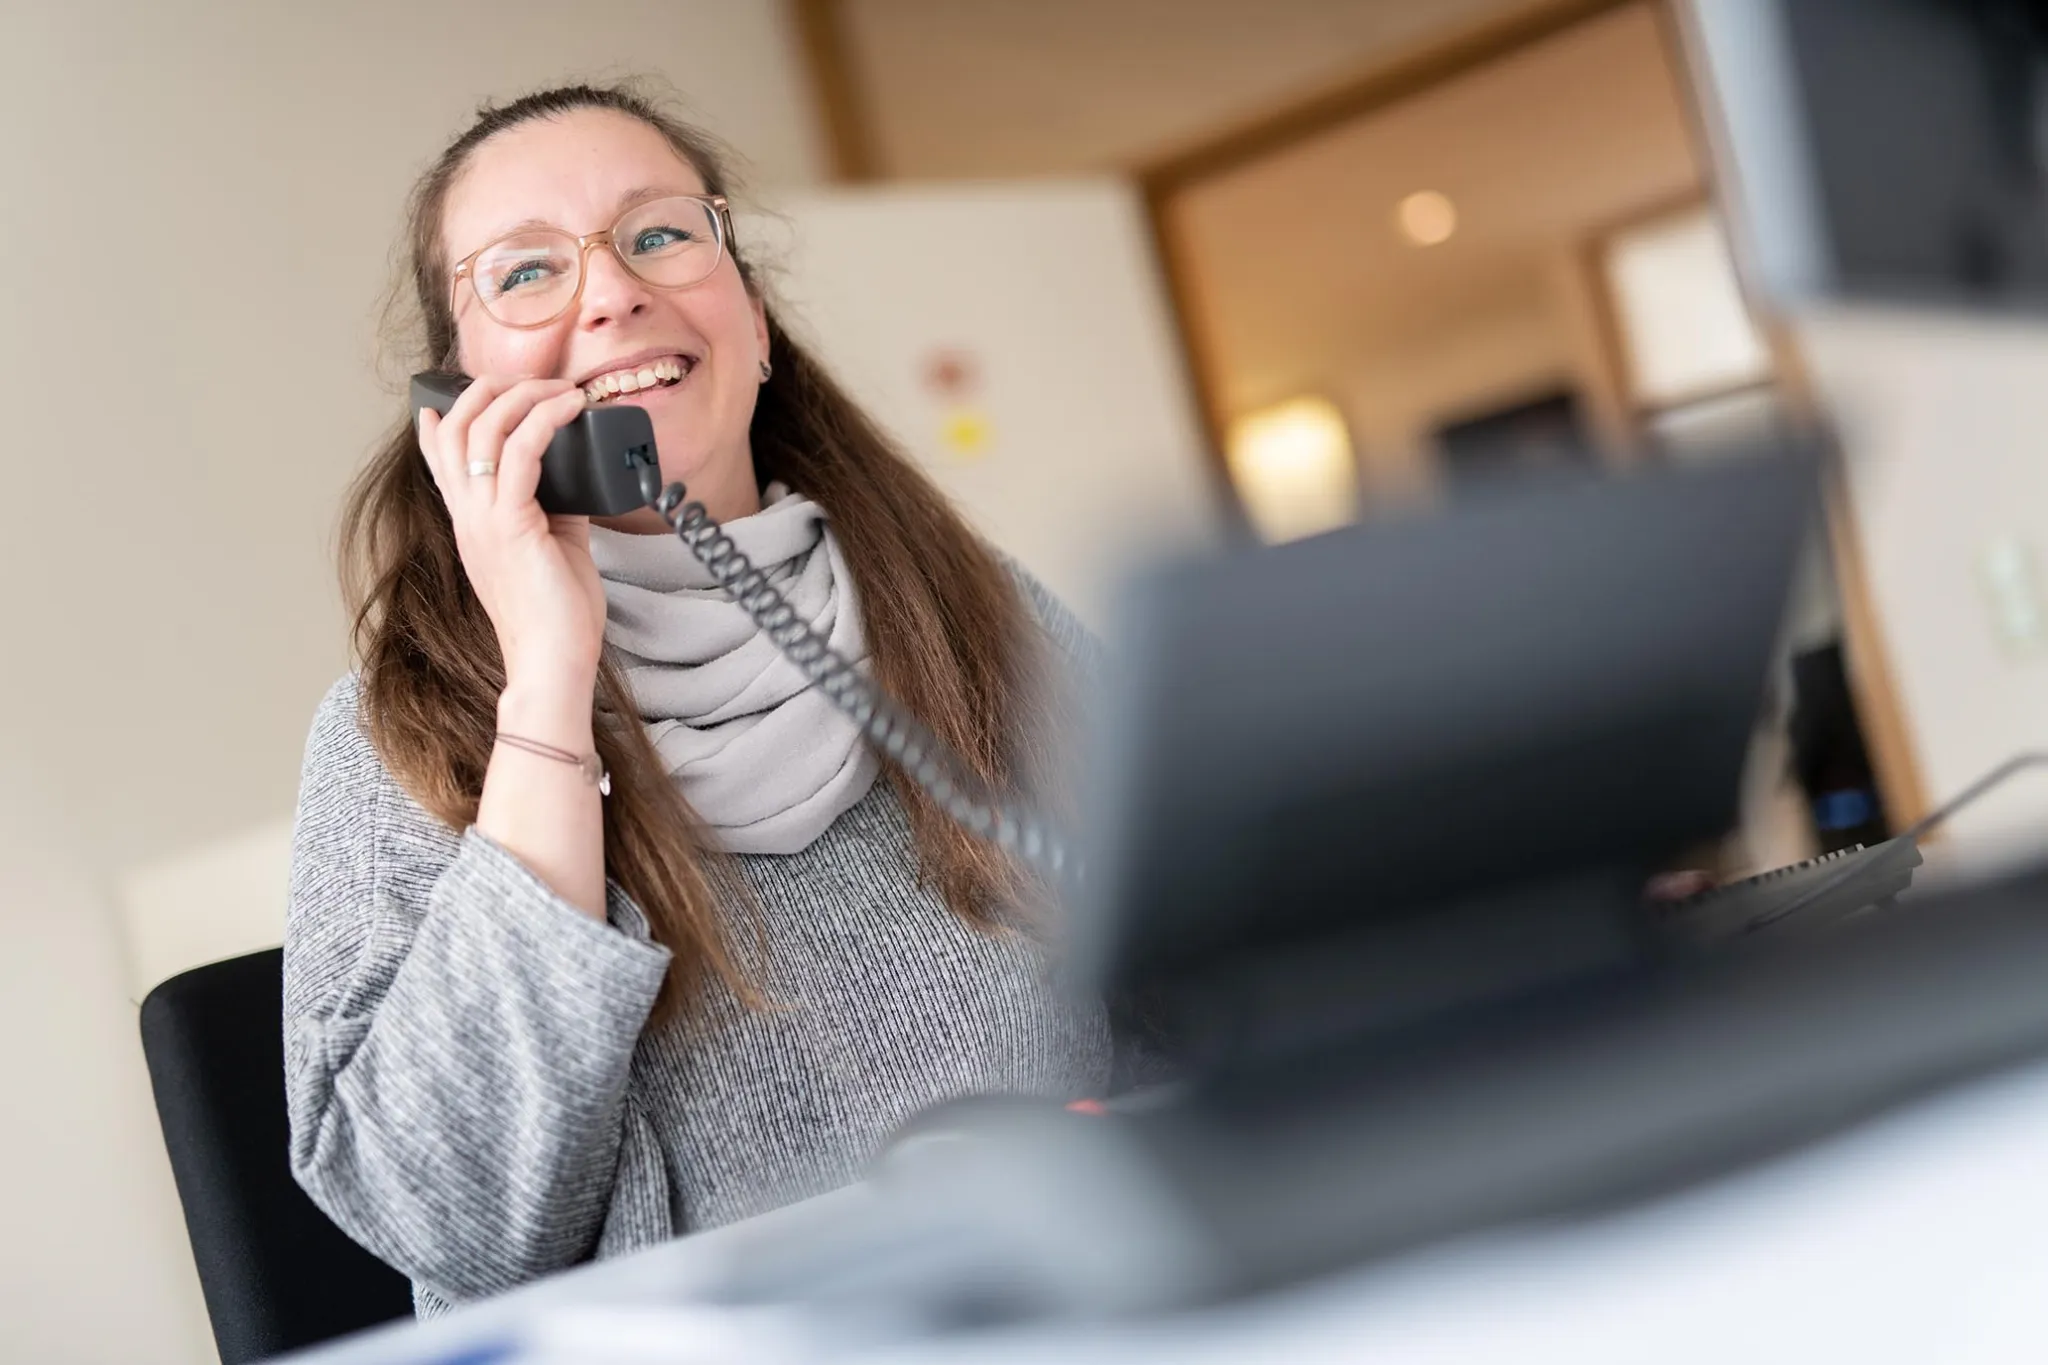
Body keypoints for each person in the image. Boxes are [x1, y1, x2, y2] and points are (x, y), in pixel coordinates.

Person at [283, 82, 1126, 1318]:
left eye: (661, 235)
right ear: (458, 396)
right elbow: (447, 1213)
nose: (613, 291)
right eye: (525, 273)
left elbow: (1207, 982)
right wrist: (549, 680)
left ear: (756, 318)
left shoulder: (974, 613)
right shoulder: (400, 726)